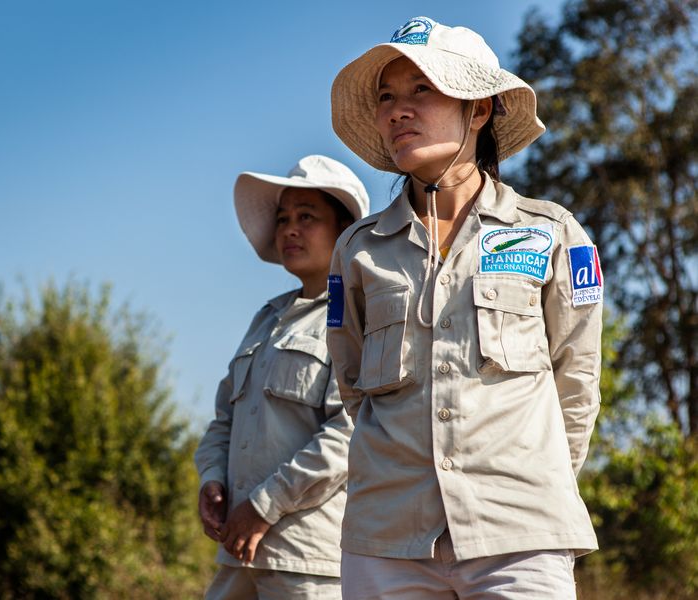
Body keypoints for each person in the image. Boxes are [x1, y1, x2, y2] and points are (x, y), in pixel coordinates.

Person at [326, 16, 603, 599]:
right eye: (385, 97)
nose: (397, 110)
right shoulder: (357, 251)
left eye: (421, 90)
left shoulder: (554, 233)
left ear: (480, 110)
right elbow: (351, 384)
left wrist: (532, 486)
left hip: (520, 537)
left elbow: (576, 382)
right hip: (386, 545)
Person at [195, 154, 370, 599]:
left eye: (307, 217)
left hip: (307, 559)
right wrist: (211, 479)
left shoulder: (357, 316)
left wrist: (263, 506)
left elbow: (349, 433)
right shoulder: (267, 318)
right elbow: (223, 422)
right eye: (283, 217)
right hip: (238, 554)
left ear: (344, 231)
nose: (290, 228)